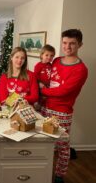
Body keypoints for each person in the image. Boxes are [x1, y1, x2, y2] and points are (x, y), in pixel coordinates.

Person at [41, 29, 88, 183]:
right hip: (45, 107)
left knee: (62, 146)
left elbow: (63, 91)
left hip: (62, 112)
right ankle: (40, 170)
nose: (67, 47)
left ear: (79, 45)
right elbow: (44, 75)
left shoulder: (81, 70)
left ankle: (59, 175)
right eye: (65, 43)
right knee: (42, 142)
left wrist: (42, 90)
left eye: (72, 43)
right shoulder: (55, 60)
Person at [34, 44, 56, 108]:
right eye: (47, 55)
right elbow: (35, 77)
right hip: (40, 86)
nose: (49, 57)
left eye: (51, 55)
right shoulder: (38, 65)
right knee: (40, 101)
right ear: (42, 55)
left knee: (46, 101)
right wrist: (39, 84)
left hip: (48, 87)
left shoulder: (51, 65)